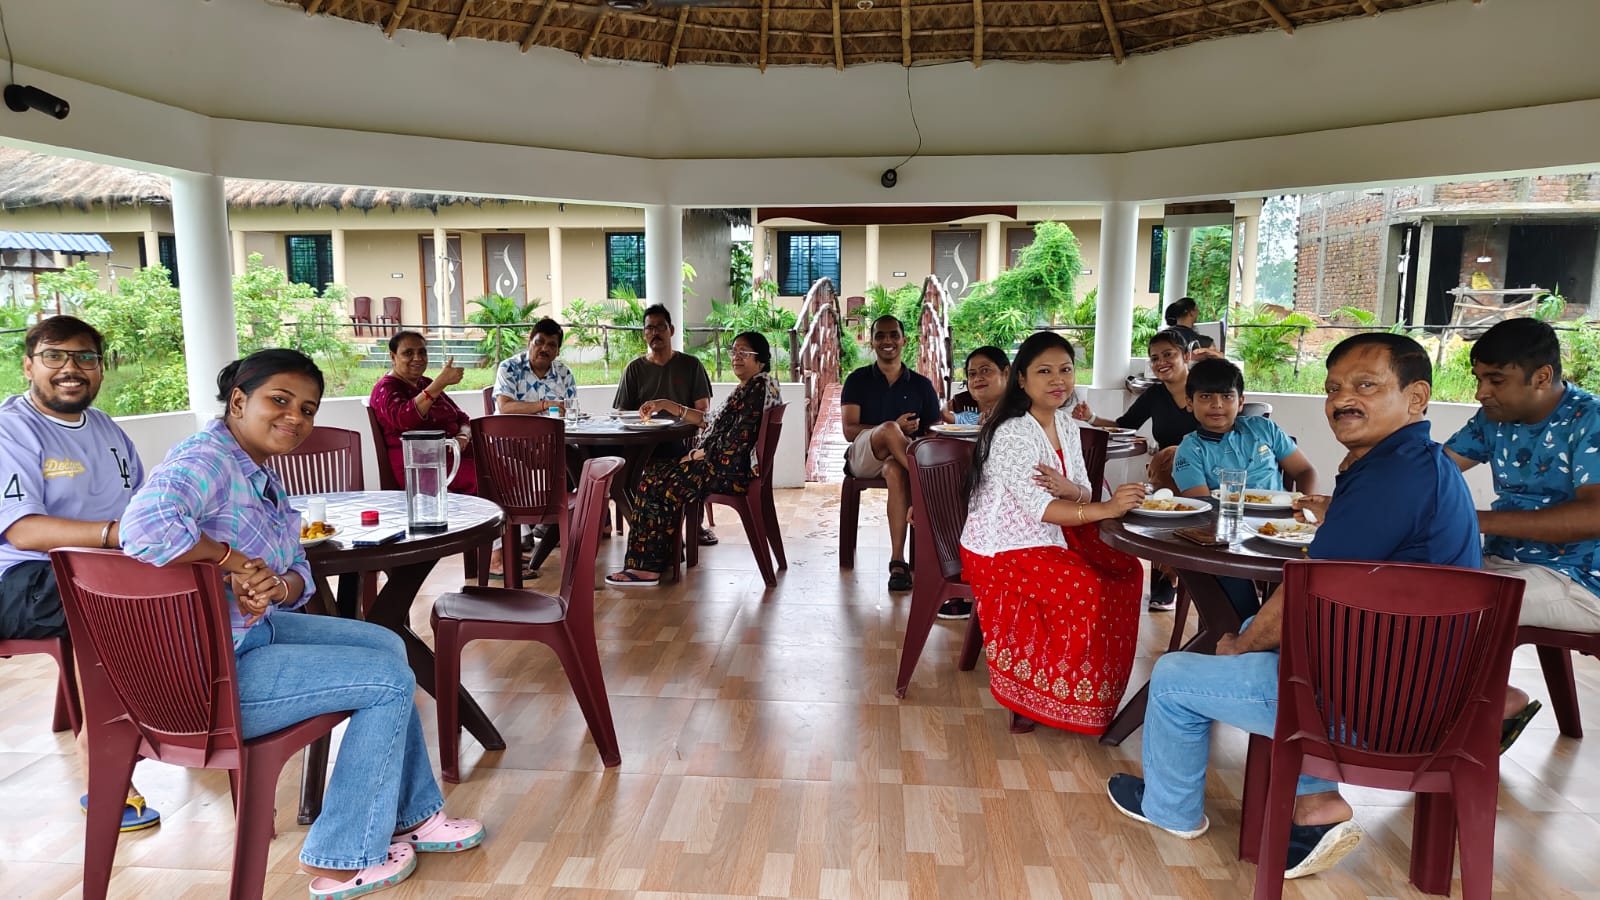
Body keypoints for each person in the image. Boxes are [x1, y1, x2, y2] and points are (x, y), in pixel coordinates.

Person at [1106, 333, 1481, 882]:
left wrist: (1240, 644)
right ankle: (1316, 802)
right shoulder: (1418, 464)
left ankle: (1170, 809)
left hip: (1378, 708)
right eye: (1333, 388)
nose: (1342, 399)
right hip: (1418, 683)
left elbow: (1306, 591)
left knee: (1175, 674)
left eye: (1365, 386)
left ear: (1417, 397)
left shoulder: (1388, 478)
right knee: (1263, 632)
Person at [120, 349, 484, 899]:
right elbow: (143, 528)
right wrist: (232, 562)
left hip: (243, 637)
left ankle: (412, 815)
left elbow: (297, 574)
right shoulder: (206, 459)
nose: (295, 417)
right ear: (238, 401)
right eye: (280, 400)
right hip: (203, 673)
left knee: (386, 645)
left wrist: (276, 586)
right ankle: (344, 857)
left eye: (307, 409)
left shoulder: (257, 472)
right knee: (387, 682)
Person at [0, 315, 160, 831]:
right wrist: (116, 537)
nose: (71, 368)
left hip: (103, 567)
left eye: (85, 357)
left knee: (195, 586)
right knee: (112, 599)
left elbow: (143, 508)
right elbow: (24, 531)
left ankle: (193, 724)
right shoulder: (10, 429)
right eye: (54, 355)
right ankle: (102, 758)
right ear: (29, 365)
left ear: (100, 368)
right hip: (22, 580)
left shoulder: (108, 429)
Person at [960, 332, 1147, 735]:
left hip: (1056, 531)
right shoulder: (1011, 432)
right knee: (1085, 587)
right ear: (1022, 379)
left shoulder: (1066, 423)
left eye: (1065, 369)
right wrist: (1107, 508)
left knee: (1126, 569)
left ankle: (1090, 694)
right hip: (1003, 546)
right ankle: (1042, 692)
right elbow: (1041, 507)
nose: (1058, 379)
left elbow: (1083, 490)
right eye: (1044, 371)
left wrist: (1071, 489)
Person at [1442, 318, 1600, 750]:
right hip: (1507, 564)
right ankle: (1446, 710)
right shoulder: (1494, 418)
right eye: (1478, 378)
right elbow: (1436, 473)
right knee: (1409, 582)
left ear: (1542, 377)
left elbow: (1595, 515)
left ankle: (1485, 708)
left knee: (1457, 607)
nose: (1481, 392)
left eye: (1496, 380)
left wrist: (1473, 520)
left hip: (1582, 579)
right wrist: (1372, 474)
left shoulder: (1591, 419)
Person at [605, 332, 782, 587]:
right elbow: (709, 421)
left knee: (654, 480)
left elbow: (738, 439)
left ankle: (646, 567)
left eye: (744, 352)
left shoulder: (756, 389)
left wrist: (696, 454)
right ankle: (659, 558)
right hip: (727, 468)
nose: (736, 357)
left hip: (727, 472)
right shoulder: (756, 386)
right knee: (656, 474)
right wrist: (667, 405)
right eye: (734, 351)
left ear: (761, 360)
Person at [1171, 356, 1318, 619]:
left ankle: (1279, 629)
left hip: (1283, 530)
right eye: (1206, 397)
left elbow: (1305, 470)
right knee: (1228, 578)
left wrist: (1306, 506)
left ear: (1240, 402)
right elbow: (1204, 507)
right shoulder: (1190, 449)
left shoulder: (1263, 429)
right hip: (1227, 535)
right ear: (1189, 402)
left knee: (1313, 574)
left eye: (1227, 396)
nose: (1217, 405)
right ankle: (1246, 628)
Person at [1076, 328, 1201, 609]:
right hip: (1168, 470)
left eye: (1168, 355)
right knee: (1166, 468)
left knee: (1169, 466)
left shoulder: (1203, 389)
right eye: (1155, 358)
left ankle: (1170, 575)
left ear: (1186, 356)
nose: (1161, 362)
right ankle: (1169, 574)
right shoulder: (1155, 394)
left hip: (1206, 464)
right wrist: (1092, 418)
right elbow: (1125, 425)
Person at [841, 314, 943, 592]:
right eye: (880, 336)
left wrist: (909, 434)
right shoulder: (857, 380)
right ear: (872, 342)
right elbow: (849, 431)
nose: (887, 341)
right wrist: (893, 428)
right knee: (888, 428)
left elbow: (934, 432)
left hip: (901, 459)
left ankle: (898, 561)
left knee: (896, 471)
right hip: (865, 455)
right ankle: (927, 481)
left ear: (904, 340)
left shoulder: (921, 385)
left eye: (893, 335)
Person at [612, 304, 716, 543]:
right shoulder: (634, 369)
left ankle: (692, 526)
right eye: (649, 328)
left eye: (660, 327)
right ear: (644, 334)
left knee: (684, 458)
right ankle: (644, 528)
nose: (655, 333)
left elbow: (703, 411)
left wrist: (673, 411)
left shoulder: (691, 365)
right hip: (642, 442)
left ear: (672, 330)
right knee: (607, 460)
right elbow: (622, 413)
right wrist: (642, 417)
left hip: (681, 440)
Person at [369, 331, 477, 494]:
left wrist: (463, 435)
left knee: (507, 465)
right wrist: (439, 383)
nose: (418, 358)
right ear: (393, 357)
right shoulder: (387, 388)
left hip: (456, 456)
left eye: (422, 352)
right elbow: (406, 420)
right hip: (424, 467)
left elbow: (462, 417)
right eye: (408, 353)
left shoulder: (425, 383)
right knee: (490, 477)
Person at [494, 317, 577, 416]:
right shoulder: (509, 368)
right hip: (513, 426)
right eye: (539, 342)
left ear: (558, 351)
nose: (544, 349)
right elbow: (505, 408)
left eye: (551, 345)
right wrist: (545, 405)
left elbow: (572, 412)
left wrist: (566, 414)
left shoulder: (565, 374)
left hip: (552, 426)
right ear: (529, 343)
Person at [943, 346, 1009, 426]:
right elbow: (945, 414)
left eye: (985, 370)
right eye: (972, 374)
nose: (977, 379)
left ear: (1007, 373)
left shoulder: (1020, 415)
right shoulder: (966, 414)